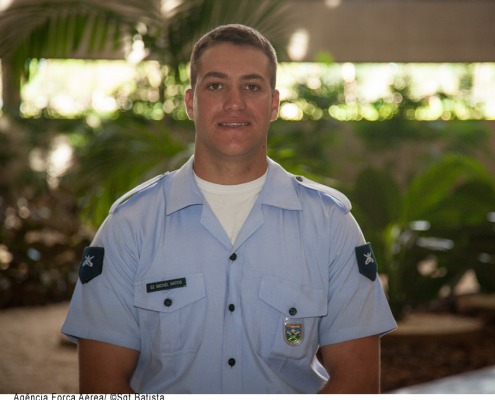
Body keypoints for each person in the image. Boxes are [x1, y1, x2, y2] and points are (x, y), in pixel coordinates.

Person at [62, 24, 397, 394]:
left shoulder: (331, 224)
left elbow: (358, 380)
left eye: (252, 86)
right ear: (191, 102)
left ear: (273, 104)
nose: (234, 102)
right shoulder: (130, 225)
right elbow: (102, 385)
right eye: (216, 85)